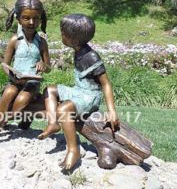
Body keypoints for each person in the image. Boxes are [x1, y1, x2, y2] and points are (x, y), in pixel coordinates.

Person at [38, 14, 119, 170]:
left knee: (63, 108)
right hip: (79, 91)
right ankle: (53, 123)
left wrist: (112, 110)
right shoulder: (78, 50)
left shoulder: (91, 57)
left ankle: (73, 150)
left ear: (74, 40)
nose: (61, 35)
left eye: (63, 33)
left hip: (90, 96)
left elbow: (106, 84)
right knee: (49, 90)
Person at [0, 0, 50, 145]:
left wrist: (43, 64)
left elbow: (48, 67)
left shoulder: (42, 43)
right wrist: (12, 75)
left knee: (22, 100)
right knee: (9, 92)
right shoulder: (15, 40)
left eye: (35, 19)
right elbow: (4, 64)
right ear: (18, 19)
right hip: (15, 80)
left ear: (40, 20)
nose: (31, 22)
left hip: (32, 83)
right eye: (26, 18)